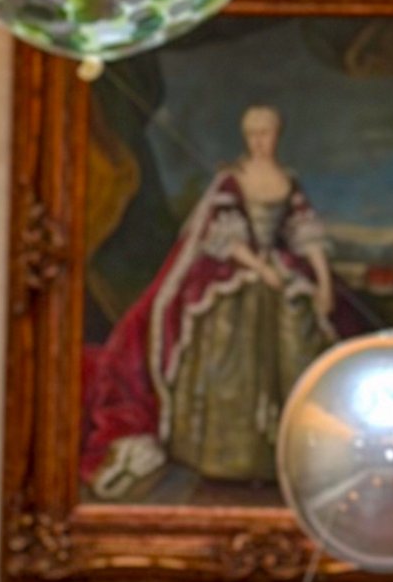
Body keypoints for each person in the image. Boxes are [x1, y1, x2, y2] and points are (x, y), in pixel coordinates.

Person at [82, 105, 338, 493]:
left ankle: (289, 457)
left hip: (277, 272)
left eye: (265, 133)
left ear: (277, 133)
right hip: (240, 272)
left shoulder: (287, 180)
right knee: (227, 354)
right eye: (252, 133)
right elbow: (225, 235)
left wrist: (323, 283)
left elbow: (305, 232)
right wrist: (259, 267)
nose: (258, 141)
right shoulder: (231, 181)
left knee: (297, 341)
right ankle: (226, 457)